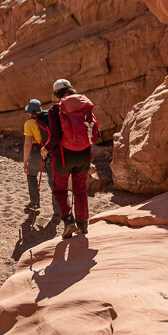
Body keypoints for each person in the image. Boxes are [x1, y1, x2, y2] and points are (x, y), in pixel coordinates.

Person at [44, 78, 100, 238]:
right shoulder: (84, 107)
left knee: (60, 190)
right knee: (80, 190)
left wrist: (45, 148)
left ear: (56, 94)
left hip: (63, 156)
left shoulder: (55, 110)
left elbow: (54, 136)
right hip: (83, 155)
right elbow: (96, 132)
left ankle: (69, 222)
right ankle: (83, 225)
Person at [22, 98, 57, 214]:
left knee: (31, 176)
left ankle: (34, 202)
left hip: (37, 153)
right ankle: (57, 210)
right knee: (53, 182)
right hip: (50, 152)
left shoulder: (29, 124)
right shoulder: (48, 119)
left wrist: (25, 161)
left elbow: (27, 144)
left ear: (29, 112)